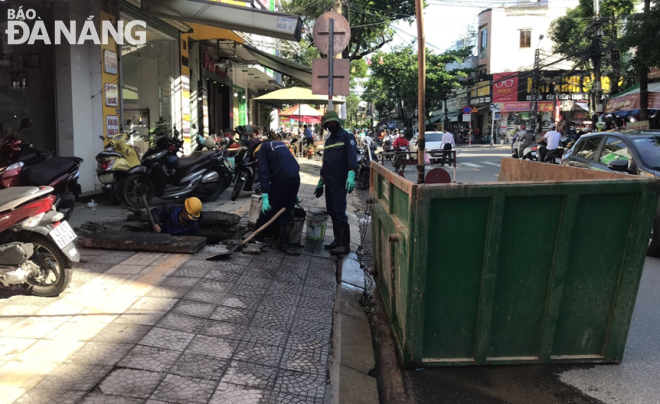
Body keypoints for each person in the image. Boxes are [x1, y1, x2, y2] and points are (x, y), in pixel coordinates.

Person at [315, 111, 358, 256]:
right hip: (329, 181)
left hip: (340, 182)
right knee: (332, 211)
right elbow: (326, 162)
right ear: (326, 125)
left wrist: (351, 174)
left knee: (339, 212)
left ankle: (344, 245)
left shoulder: (346, 136)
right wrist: (321, 180)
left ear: (337, 123)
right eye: (329, 124)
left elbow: (352, 157)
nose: (331, 125)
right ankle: (337, 240)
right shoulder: (329, 140)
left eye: (333, 123)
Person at [250, 140, 301, 255]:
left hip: (282, 178)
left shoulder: (259, 150)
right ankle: (282, 241)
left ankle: (258, 235)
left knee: (270, 207)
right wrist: (292, 192)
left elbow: (263, 172)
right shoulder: (279, 144)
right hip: (295, 177)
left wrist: (265, 194)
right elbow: (288, 163)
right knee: (286, 209)